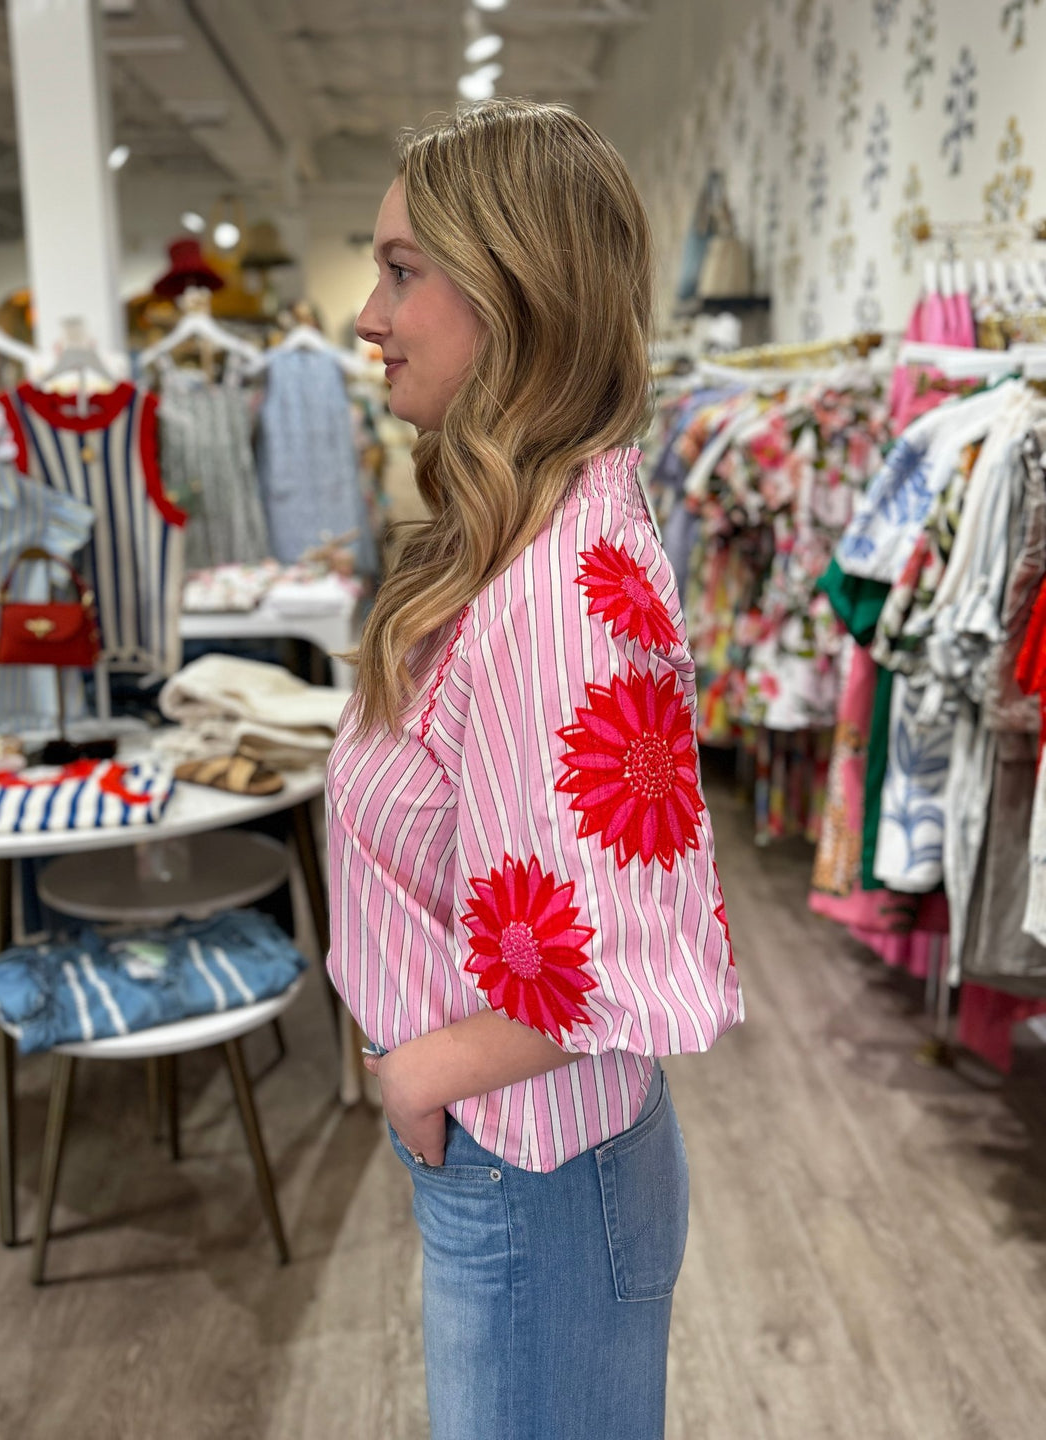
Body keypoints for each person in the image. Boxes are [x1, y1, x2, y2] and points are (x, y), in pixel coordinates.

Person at [326, 99, 743, 1440]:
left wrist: (415, 1071)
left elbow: (615, 950)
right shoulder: (521, 540)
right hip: (521, 1154)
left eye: (403, 270)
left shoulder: (559, 594)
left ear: (517, 290)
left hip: (530, 1161)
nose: (368, 314)